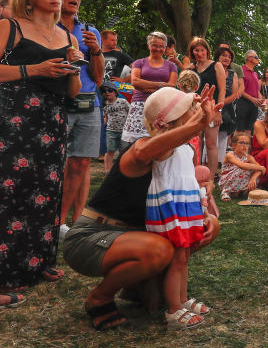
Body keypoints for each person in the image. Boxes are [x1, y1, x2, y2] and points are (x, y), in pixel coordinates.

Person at [61, 85, 220, 330]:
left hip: (132, 235)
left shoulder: (180, 152)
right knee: (161, 249)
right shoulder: (141, 148)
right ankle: (100, 298)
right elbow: (150, 150)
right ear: (168, 120)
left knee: (201, 231)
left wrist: (206, 217)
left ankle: (140, 286)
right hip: (91, 236)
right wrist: (198, 125)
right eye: (190, 108)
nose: (197, 111)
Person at [0, 0, 84, 292]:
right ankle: (5, 272)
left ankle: (37, 261)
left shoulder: (68, 37)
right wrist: (34, 69)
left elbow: (73, 91)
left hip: (53, 120)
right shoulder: (11, 27)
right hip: (14, 120)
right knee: (11, 191)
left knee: (46, 191)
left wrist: (74, 65)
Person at [140, 88, 212, 329]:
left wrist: (201, 114)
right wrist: (199, 119)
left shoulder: (183, 143)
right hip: (171, 203)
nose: (192, 111)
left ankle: (181, 299)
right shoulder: (163, 145)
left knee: (185, 256)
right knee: (177, 257)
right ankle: (173, 309)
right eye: (187, 109)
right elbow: (178, 136)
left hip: (186, 201)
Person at [56, 0, 105, 242]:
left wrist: (95, 50)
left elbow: (98, 78)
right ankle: (53, 222)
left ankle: (70, 224)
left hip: (88, 103)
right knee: (54, 164)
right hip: (57, 102)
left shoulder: (89, 31)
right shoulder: (45, 28)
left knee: (82, 163)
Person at [121, 32, 178, 149]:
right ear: (148, 45)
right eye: (155, 45)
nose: (158, 49)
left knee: (158, 141)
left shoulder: (171, 66)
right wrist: (161, 85)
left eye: (161, 46)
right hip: (140, 105)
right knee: (136, 144)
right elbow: (135, 82)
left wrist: (146, 86)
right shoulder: (139, 62)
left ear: (165, 47)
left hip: (162, 106)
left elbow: (172, 86)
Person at [183, 37, 225, 176]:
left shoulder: (216, 65)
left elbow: (223, 90)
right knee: (195, 142)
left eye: (202, 50)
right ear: (192, 52)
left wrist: (218, 110)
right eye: (196, 50)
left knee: (211, 143)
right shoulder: (192, 68)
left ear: (207, 51)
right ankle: (195, 173)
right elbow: (185, 88)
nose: (199, 53)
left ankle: (210, 177)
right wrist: (187, 70)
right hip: (194, 107)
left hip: (212, 107)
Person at [218, 133, 265, 201]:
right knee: (244, 169)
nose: (245, 146)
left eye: (247, 143)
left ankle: (243, 190)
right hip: (227, 181)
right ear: (234, 145)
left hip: (240, 181)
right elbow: (242, 166)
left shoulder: (249, 157)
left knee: (255, 172)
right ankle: (226, 192)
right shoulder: (230, 155)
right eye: (242, 143)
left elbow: (260, 170)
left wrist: (253, 178)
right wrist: (261, 167)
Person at [215, 46, 241, 164]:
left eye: (229, 57)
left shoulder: (233, 74)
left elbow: (234, 94)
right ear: (217, 57)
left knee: (222, 137)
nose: (226, 58)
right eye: (224, 55)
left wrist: (220, 104)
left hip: (227, 109)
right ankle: (206, 163)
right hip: (211, 107)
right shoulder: (212, 70)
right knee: (209, 138)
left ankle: (219, 163)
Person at [101, 81, 130, 173]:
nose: (107, 92)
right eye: (104, 91)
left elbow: (130, 113)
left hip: (123, 131)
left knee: (124, 152)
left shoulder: (123, 101)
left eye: (110, 90)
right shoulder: (105, 105)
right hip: (111, 131)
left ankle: (122, 170)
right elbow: (106, 118)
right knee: (109, 151)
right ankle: (108, 171)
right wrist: (102, 127)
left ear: (115, 92)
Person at [236, 50, 265, 134]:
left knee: (249, 128)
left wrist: (259, 97)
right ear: (249, 58)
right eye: (256, 57)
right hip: (243, 103)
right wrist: (252, 99)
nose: (258, 59)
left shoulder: (255, 73)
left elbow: (257, 89)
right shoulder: (241, 70)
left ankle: (247, 146)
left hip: (254, 104)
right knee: (240, 129)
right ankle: (237, 146)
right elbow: (239, 89)